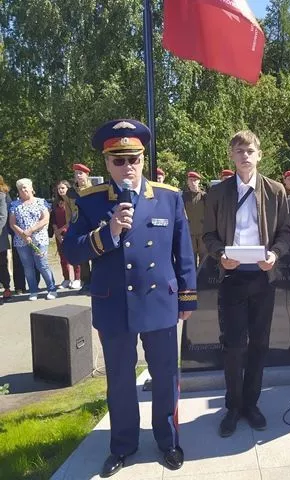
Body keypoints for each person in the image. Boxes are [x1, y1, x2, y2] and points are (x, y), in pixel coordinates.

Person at [63, 119, 197, 477]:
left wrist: (187, 299)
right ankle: (123, 445)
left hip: (159, 302)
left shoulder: (168, 196)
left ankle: (168, 441)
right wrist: (108, 233)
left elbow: (184, 252)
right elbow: (72, 251)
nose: (127, 167)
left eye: (133, 159)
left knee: (165, 376)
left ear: (143, 159)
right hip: (114, 303)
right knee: (120, 380)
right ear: (107, 163)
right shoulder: (89, 201)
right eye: (118, 160)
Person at [203, 130, 290, 438]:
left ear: (259, 155)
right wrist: (220, 254)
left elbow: (285, 232)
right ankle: (233, 406)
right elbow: (208, 235)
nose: (245, 156)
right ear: (231, 155)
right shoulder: (217, 193)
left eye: (250, 151)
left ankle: (251, 404)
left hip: (263, 277)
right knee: (233, 346)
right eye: (239, 151)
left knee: (259, 344)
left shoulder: (275, 190)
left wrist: (275, 254)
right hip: (232, 277)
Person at [9, 178, 57, 301]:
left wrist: (30, 230)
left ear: (31, 188)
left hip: (39, 239)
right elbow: (12, 223)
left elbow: (45, 219)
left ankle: (52, 289)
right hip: (21, 241)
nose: (23, 190)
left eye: (25, 187)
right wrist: (24, 235)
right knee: (28, 267)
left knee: (42, 264)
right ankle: (33, 290)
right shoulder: (14, 205)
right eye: (20, 188)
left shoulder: (41, 202)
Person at [65, 163, 93, 293]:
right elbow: (68, 211)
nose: (78, 176)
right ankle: (86, 282)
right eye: (76, 174)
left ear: (87, 175)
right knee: (83, 255)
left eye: (80, 173)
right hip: (78, 225)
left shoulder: (94, 189)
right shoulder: (71, 193)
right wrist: (69, 225)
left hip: (92, 224)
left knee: (97, 253)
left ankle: (97, 280)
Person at [51, 180, 81, 289]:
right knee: (63, 257)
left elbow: (73, 218)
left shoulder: (73, 201)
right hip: (59, 234)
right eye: (59, 188)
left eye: (63, 188)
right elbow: (53, 219)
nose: (61, 190)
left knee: (74, 256)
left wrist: (63, 229)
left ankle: (77, 279)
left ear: (68, 188)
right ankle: (67, 279)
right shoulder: (56, 203)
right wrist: (57, 233)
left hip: (71, 232)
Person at [183, 171, 206, 266]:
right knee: (191, 257)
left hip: (202, 232)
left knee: (204, 257)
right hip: (190, 232)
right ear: (187, 182)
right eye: (191, 180)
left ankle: (203, 274)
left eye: (195, 180)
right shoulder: (184, 197)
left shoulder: (204, 196)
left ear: (199, 181)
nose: (193, 182)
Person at [0, 176, 11, 300]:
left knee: (2, 263)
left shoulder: (2, 196)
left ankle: (7, 288)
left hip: (0, 235)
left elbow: (3, 216)